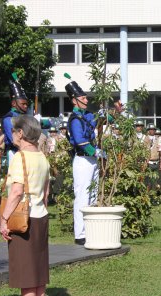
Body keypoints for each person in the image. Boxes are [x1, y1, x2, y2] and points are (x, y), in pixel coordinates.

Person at [0, 115, 50, 296]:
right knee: (38, 271)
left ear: (21, 133)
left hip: (23, 219)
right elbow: (46, 192)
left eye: (13, 130)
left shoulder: (20, 158)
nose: (11, 134)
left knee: (26, 273)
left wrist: (4, 218)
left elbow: (17, 191)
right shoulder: (42, 156)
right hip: (41, 215)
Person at [66, 78, 99, 246]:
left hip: (92, 160)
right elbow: (79, 140)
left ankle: (91, 229)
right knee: (82, 196)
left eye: (86, 98)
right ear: (74, 100)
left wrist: (114, 113)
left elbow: (99, 120)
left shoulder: (88, 115)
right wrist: (97, 152)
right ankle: (80, 234)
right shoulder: (75, 119)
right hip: (82, 159)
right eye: (83, 98)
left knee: (93, 195)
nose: (87, 100)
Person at [3, 78, 29, 165]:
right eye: (23, 104)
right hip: (14, 153)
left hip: (27, 150)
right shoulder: (8, 118)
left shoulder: (26, 117)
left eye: (26, 104)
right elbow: (14, 140)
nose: (25, 106)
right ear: (14, 103)